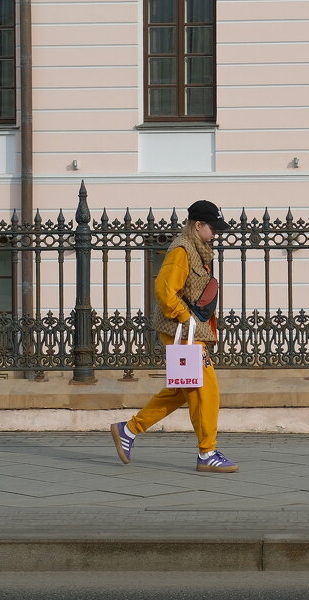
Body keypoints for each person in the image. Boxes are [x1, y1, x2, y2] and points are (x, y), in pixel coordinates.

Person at [110, 200, 238, 473]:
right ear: (198, 225)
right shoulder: (182, 249)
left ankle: (128, 430)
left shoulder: (198, 249)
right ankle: (207, 452)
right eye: (213, 227)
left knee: (183, 388)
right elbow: (164, 289)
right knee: (206, 389)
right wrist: (184, 316)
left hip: (188, 330)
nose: (217, 233)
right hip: (180, 330)